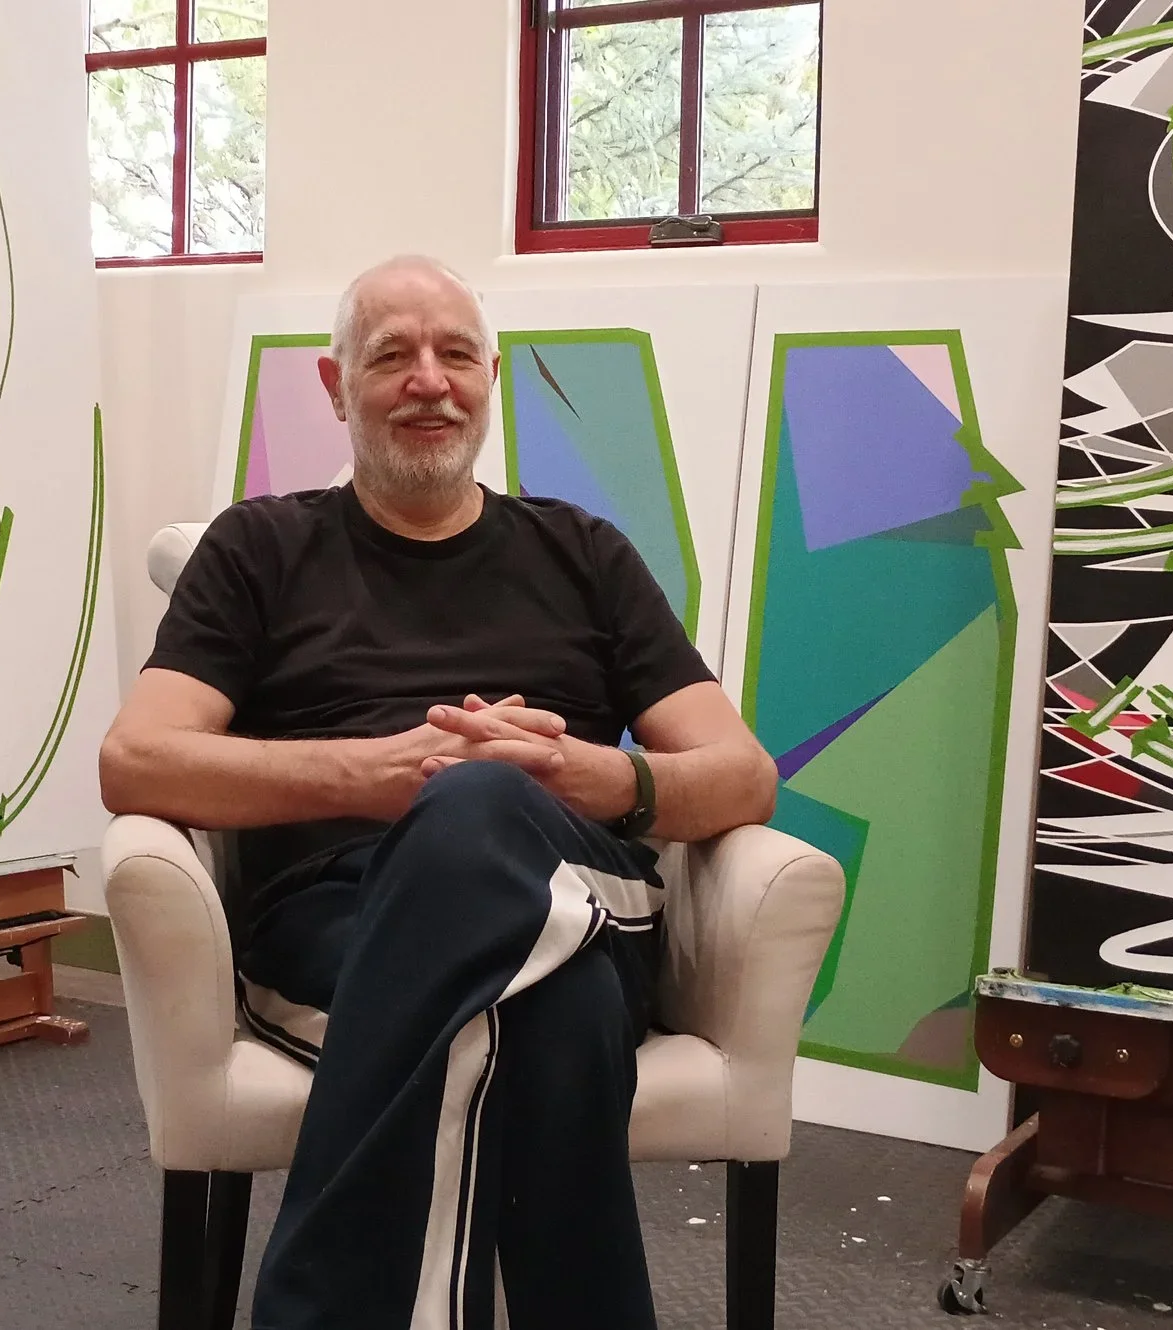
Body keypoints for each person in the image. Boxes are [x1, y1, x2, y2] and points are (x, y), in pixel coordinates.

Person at [98, 255, 778, 1329]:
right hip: (339, 913)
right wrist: (375, 775)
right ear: (334, 387)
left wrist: (574, 773)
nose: (430, 380)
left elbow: (742, 775)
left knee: (478, 807)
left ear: (489, 376)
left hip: (574, 875)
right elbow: (135, 761)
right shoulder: (258, 549)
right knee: (558, 1019)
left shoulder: (583, 553)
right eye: (391, 357)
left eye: (456, 353)